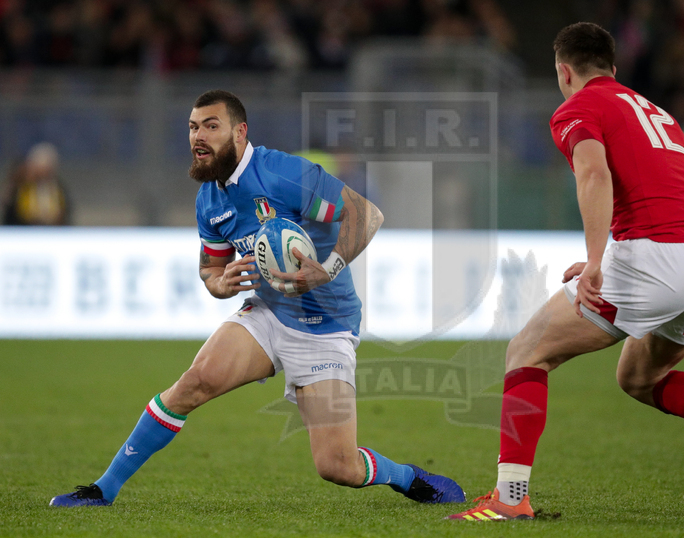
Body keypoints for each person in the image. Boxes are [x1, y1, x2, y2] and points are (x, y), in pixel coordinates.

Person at [50, 90, 465, 507]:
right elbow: (210, 269)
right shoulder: (210, 199)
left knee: (338, 466)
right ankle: (103, 489)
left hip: (326, 328)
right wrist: (221, 283)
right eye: (194, 127)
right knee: (192, 383)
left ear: (240, 131)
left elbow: (365, 213)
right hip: (267, 314)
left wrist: (329, 268)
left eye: (212, 126)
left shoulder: (283, 174)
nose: (200, 136)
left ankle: (409, 478)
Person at [449, 22, 684, 521]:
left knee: (526, 351)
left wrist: (596, 262)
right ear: (613, 67)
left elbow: (593, 173)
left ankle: (510, 498)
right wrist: (607, 260)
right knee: (640, 376)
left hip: (653, 263)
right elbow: (660, 194)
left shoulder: (577, 108)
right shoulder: (658, 112)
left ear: (565, 71)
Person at [2, 142, 69, 225]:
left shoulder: (58, 189)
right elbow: (11, 213)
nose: (44, 172)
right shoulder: (21, 187)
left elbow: (65, 212)